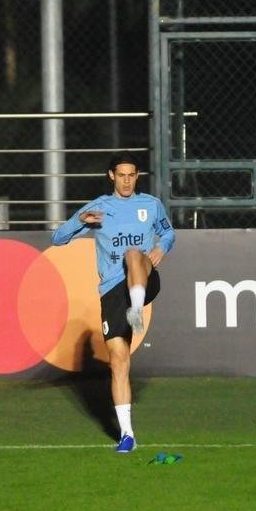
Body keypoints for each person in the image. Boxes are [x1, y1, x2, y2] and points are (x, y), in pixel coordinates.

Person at [51, 151, 176, 453]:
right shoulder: (99, 208)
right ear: (111, 176)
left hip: (143, 279)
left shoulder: (150, 205)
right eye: (121, 175)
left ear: (137, 176)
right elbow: (57, 238)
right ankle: (127, 435)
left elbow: (168, 231)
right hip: (111, 291)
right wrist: (78, 220)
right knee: (119, 360)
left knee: (134, 254)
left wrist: (162, 247)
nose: (126, 180)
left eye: (131, 175)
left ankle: (136, 307)